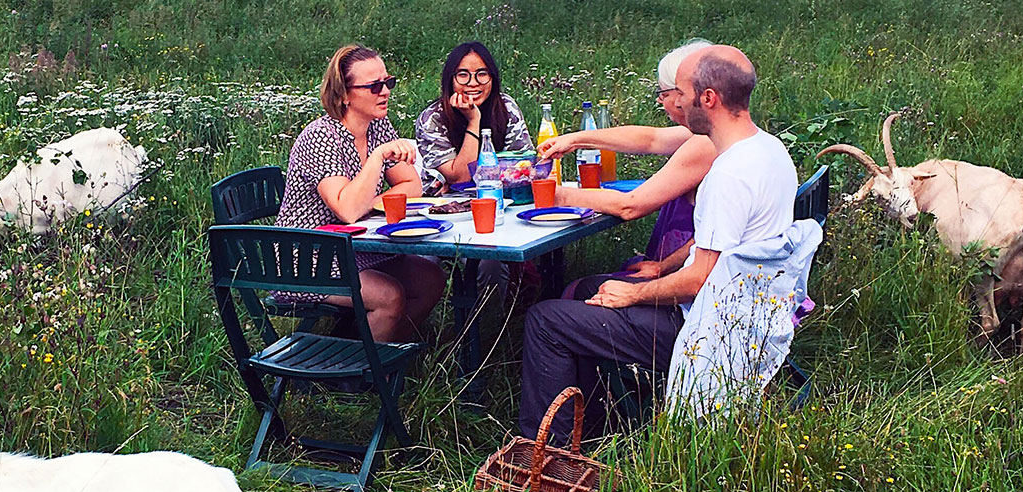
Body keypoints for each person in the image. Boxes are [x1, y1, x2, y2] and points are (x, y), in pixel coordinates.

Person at [515, 44, 797, 439]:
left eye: (679, 93)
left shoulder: (728, 173)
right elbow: (714, 248)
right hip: (748, 312)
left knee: (546, 320)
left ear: (708, 99)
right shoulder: (769, 150)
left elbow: (700, 279)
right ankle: (594, 424)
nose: (674, 103)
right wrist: (658, 272)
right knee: (590, 290)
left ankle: (544, 456)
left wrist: (633, 295)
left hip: (712, 330)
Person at [278, 44, 446, 343]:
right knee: (389, 295)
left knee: (430, 279)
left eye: (388, 83)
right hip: (308, 256)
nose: (385, 92)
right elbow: (347, 210)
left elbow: (411, 186)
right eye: (374, 86)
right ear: (344, 94)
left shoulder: (377, 125)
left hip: (353, 247)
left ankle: (380, 353)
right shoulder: (320, 137)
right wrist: (378, 158)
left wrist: (371, 201)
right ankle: (358, 378)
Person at [538, 39, 714, 300]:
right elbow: (650, 139)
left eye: (664, 94)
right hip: (684, 267)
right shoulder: (709, 133)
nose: (662, 102)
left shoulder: (704, 143)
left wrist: (550, 193)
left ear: (685, 94)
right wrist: (575, 139)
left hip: (686, 288)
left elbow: (629, 206)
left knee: (572, 295)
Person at [415, 42, 533, 191]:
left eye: (482, 74)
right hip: (444, 205)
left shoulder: (506, 107)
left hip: (503, 196)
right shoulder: (432, 119)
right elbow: (460, 179)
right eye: (463, 75)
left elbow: (523, 166)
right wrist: (473, 120)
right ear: (450, 80)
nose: (473, 83)